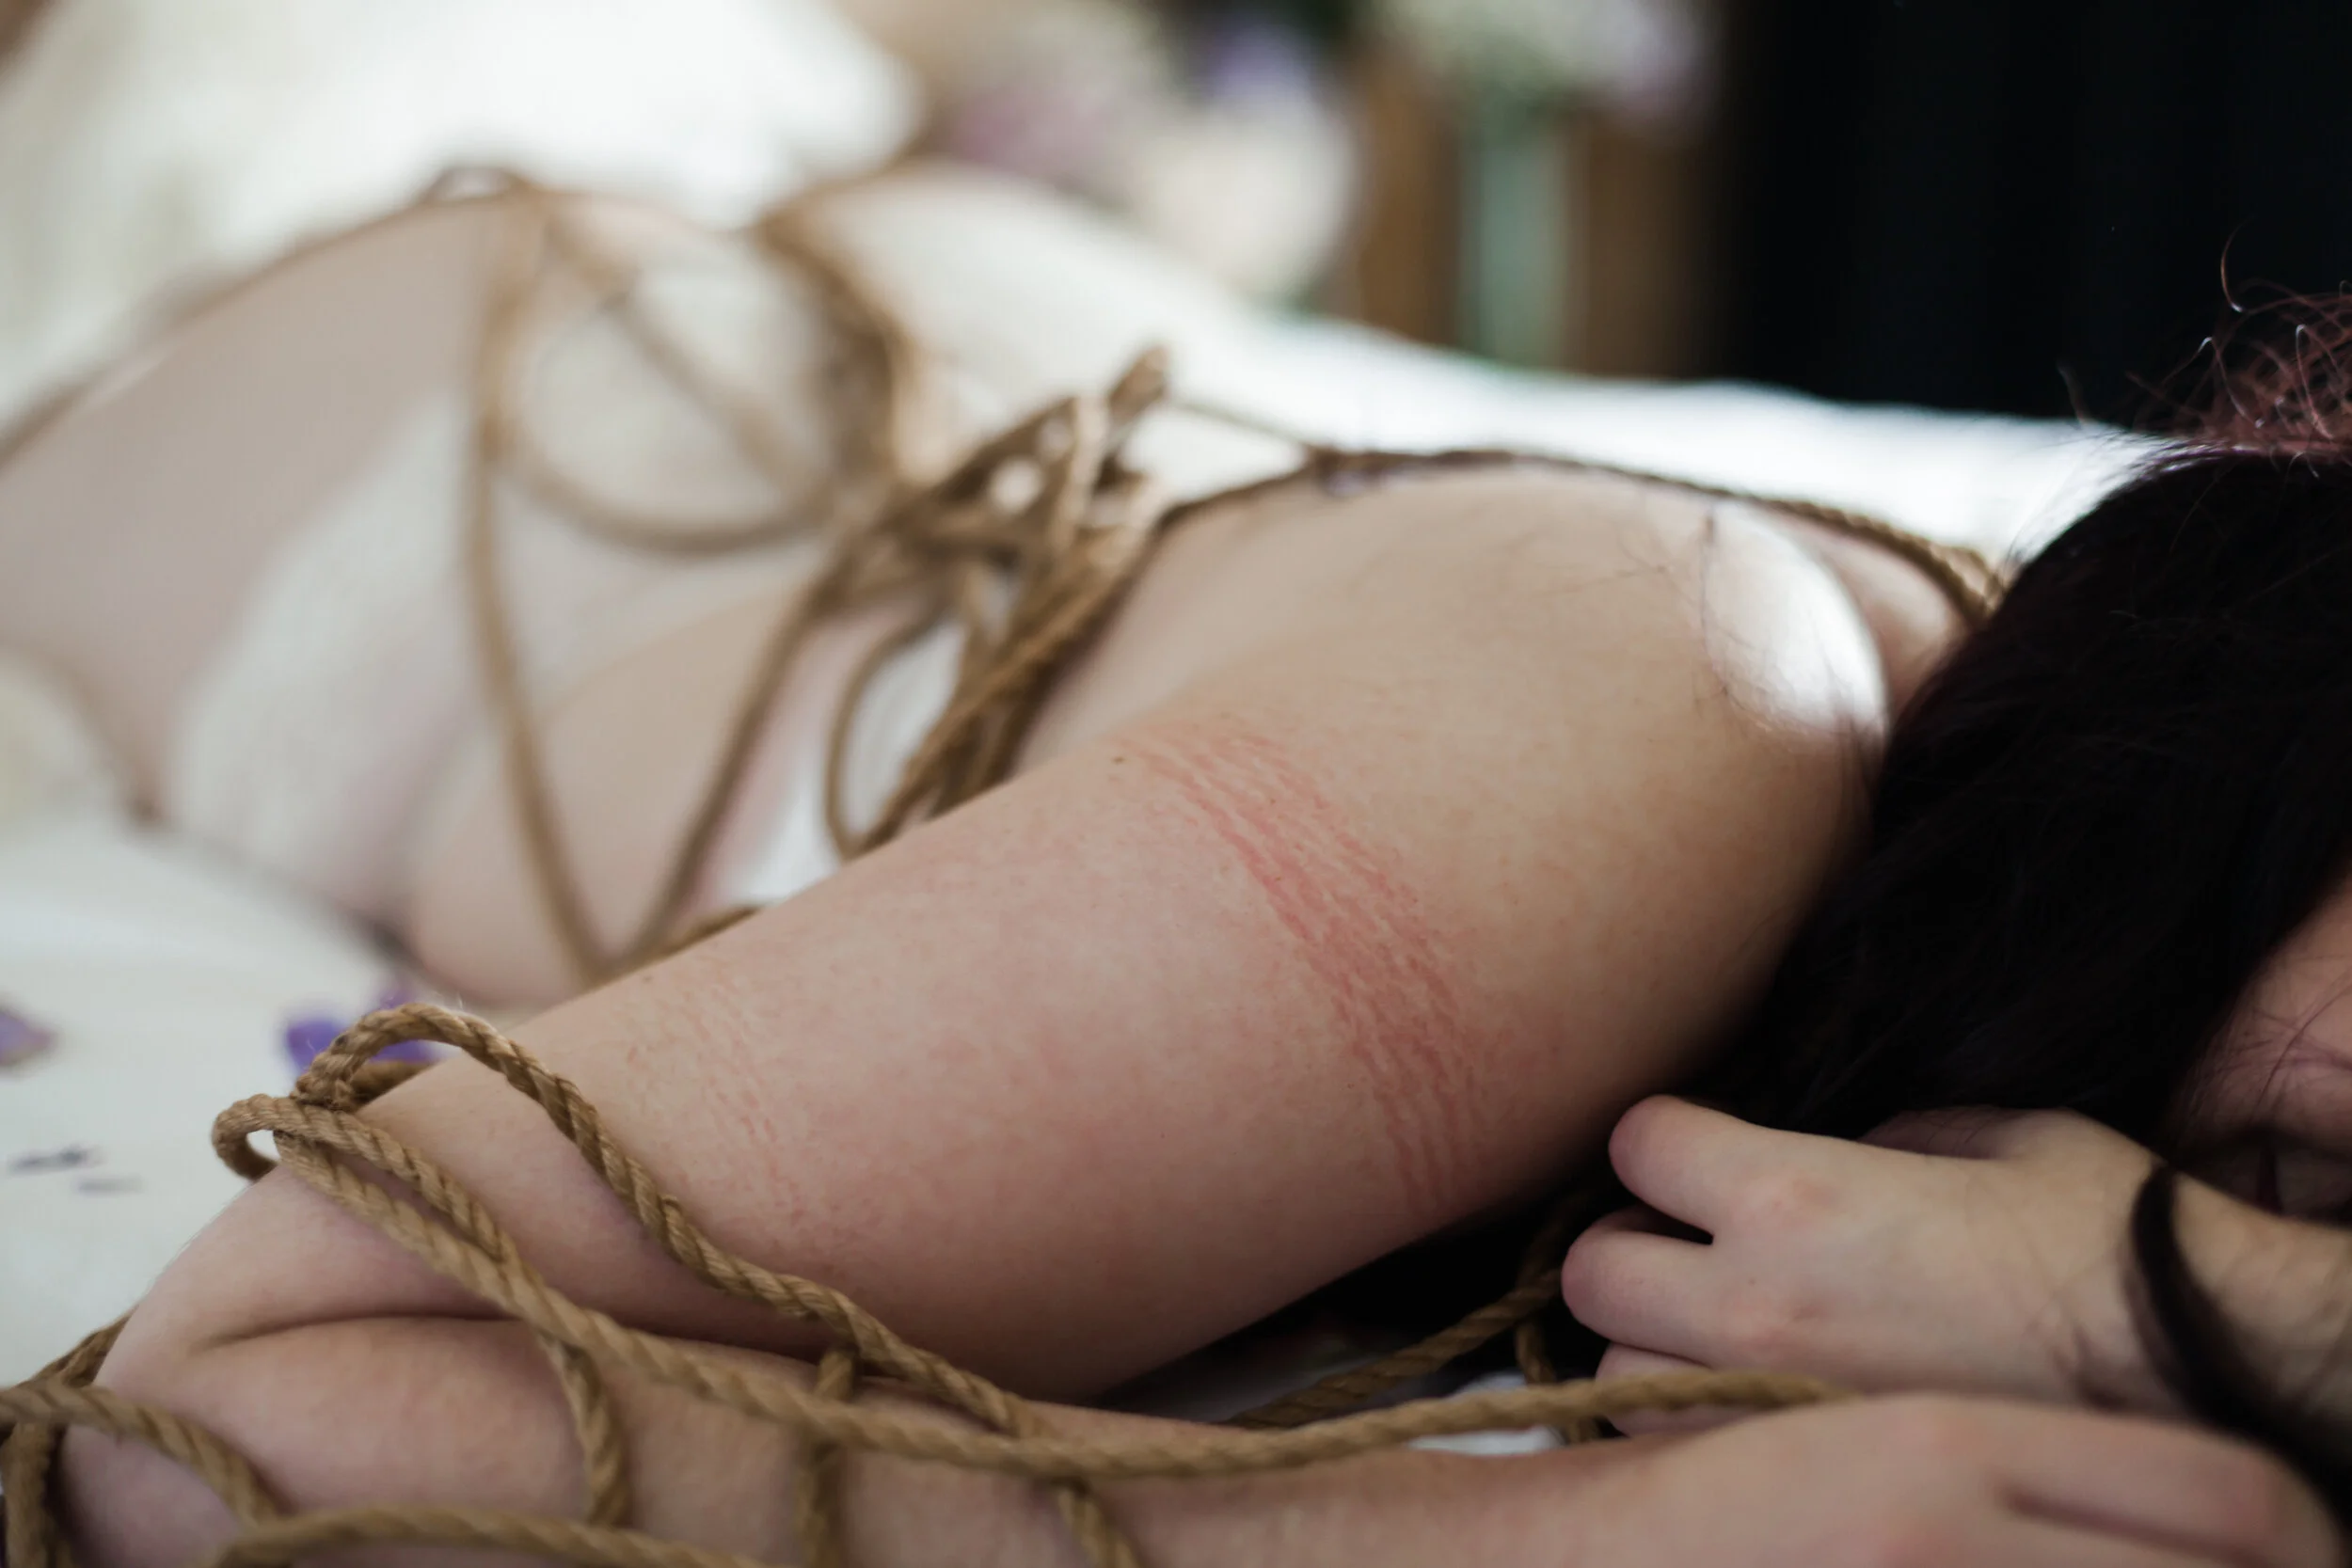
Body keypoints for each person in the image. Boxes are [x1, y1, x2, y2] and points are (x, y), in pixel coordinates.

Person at [8, 172, 2345, 1563]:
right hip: (384, 420)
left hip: (914, 342)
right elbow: (214, 1415)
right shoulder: (1660, 736)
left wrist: (2220, 1306)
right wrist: (1546, 1536)